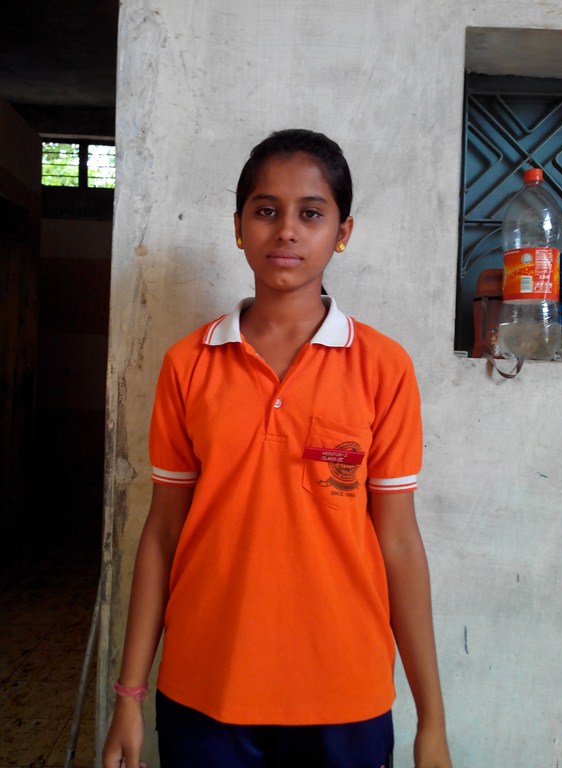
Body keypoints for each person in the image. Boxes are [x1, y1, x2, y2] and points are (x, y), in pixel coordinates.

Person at [102, 128, 452, 768]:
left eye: (311, 214)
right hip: (206, 688)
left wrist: (432, 720)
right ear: (239, 226)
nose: (286, 230)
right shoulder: (189, 364)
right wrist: (129, 694)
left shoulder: (383, 367)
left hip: (345, 692)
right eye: (266, 210)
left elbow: (399, 541)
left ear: (342, 232)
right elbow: (162, 533)